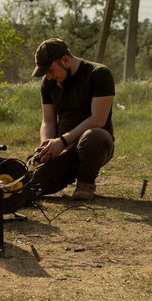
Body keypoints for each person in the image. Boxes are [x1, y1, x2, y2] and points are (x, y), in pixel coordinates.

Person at [29, 38, 115, 201]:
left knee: (94, 136)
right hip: (65, 148)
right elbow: (48, 121)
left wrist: (61, 141)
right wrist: (47, 147)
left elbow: (98, 119)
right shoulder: (48, 83)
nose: (49, 76)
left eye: (50, 70)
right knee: (31, 186)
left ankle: (85, 183)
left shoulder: (99, 74)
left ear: (65, 60)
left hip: (96, 146)